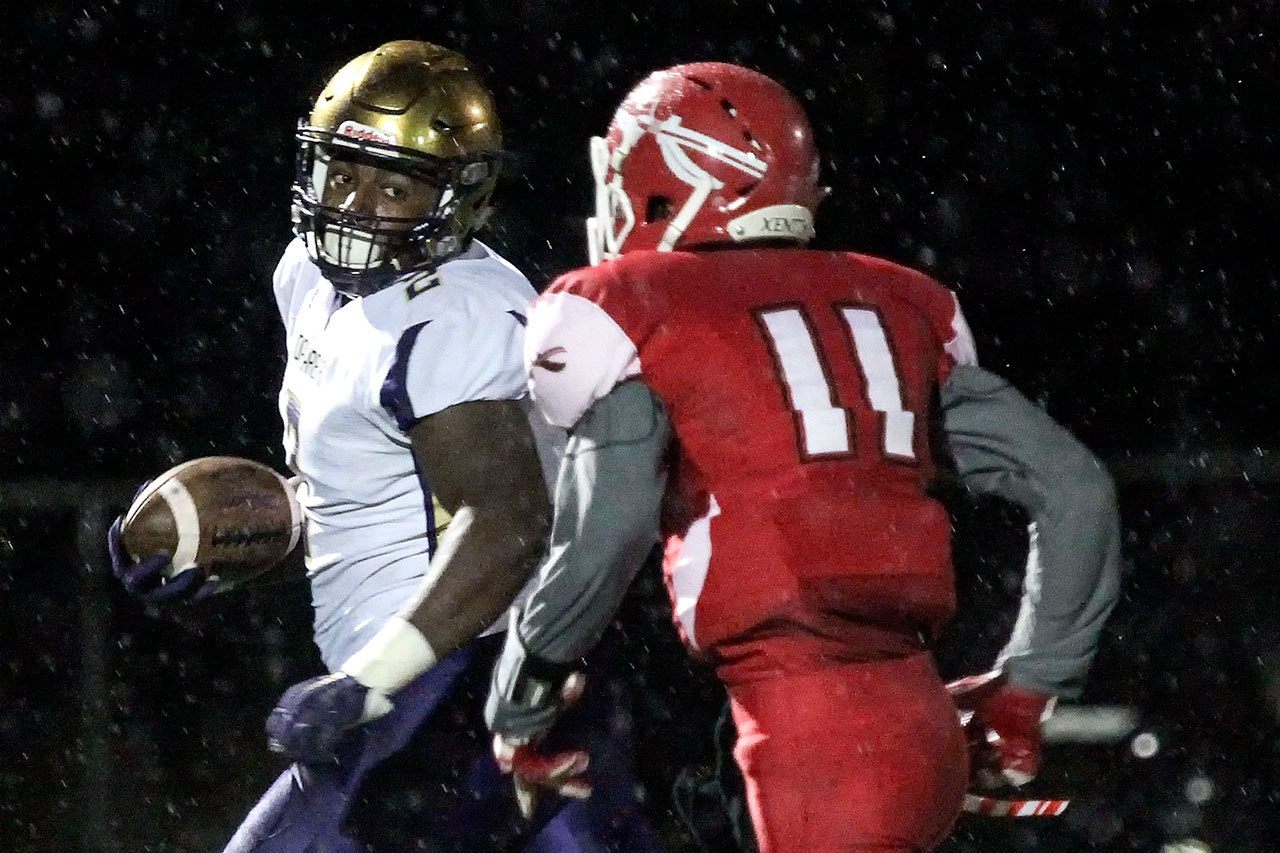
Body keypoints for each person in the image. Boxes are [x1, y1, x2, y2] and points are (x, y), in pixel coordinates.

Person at [482, 62, 1122, 852]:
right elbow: (1075, 487)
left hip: (803, 737)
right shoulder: (896, 304)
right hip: (920, 729)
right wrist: (1030, 686)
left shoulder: (638, 304)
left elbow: (604, 533)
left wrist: (521, 693)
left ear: (663, 180)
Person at [107, 40, 656, 852]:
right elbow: (387, 483)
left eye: (394, 185)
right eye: (343, 172)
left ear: (459, 197)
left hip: (470, 684)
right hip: (414, 693)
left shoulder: (457, 312)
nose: (356, 203)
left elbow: (506, 521)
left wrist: (368, 680)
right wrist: (264, 523)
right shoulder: (308, 275)